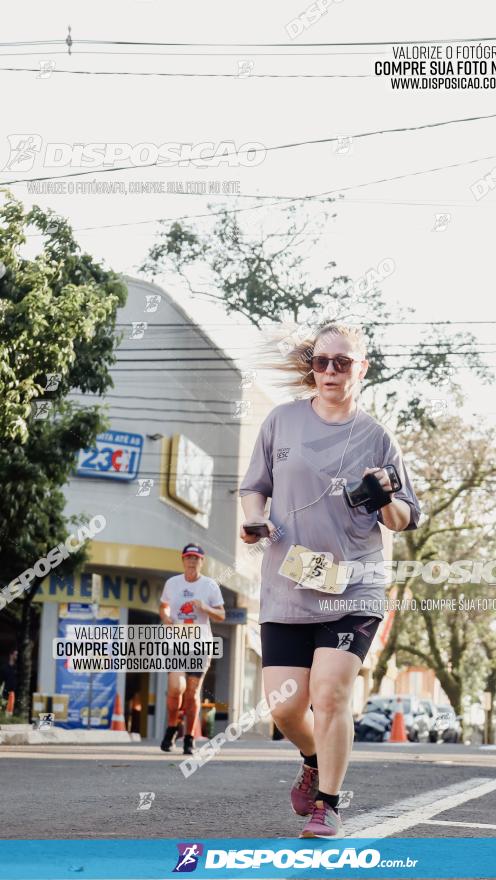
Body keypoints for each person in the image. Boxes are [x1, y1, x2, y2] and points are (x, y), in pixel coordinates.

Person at [239, 322, 421, 838]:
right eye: (322, 361)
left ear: (362, 368)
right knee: (285, 706)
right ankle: (313, 756)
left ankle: (328, 804)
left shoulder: (377, 437)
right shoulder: (281, 422)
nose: (331, 371)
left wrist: (384, 496)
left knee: (331, 693)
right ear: (312, 367)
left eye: (343, 362)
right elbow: (253, 489)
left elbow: (405, 518)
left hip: (354, 588)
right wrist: (256, 518)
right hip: (287, 587)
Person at [159, 544, 225, 755]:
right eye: (188, 557)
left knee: (192, 692)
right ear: (182, 560)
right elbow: (164, 605)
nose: (192, 561)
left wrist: (204, 608)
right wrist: (166, 618)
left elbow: (222, 615)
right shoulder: (172, 583)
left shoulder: (210, 586)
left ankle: (188, 737)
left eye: (196, 558)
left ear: (201, 562)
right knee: (175, 688)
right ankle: (171, 727)